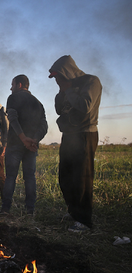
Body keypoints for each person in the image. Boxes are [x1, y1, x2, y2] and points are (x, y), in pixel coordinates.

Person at [49, 55, 101, 232]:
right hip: (69, 135)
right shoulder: (65, 87)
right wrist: (63, 91)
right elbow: (58, 109)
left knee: (82, 179)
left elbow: (85, 105)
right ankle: (73, 212)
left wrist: (69, 89)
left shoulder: (91, 81)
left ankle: (85, 221)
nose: (56, 81)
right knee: (65, 177)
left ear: (67, 73)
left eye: (58, 77)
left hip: (85, 134)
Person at [0, 75, 48, 215]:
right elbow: (44, 125)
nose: (11, 88)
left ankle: (5, 209)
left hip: (16, 143)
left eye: (12, 84)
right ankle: (30, 210)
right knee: (30, 177)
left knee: (10, 177)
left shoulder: (13, 98)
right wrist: (34, 140)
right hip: (31, 146)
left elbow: (13, 119)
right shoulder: (38, 103)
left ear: (19, 85)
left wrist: (23, 138)